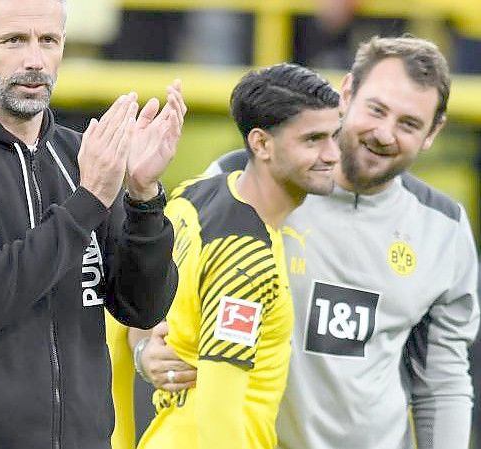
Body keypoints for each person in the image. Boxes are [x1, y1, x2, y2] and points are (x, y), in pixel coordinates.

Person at [136, 36, 480, 449]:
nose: (385, 134)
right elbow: (150, 288)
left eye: (408, 124)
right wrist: (143, 353)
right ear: (347, 92)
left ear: (433, 132)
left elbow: (442, 379)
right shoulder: (241, 186)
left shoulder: (444, 227)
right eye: (376, 109)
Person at [0, 0, 185, 448]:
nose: (34, 60)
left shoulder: (76, 158)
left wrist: (142, 196)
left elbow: (142, 306)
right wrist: (89, 202)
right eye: (13, 40)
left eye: (49, 41)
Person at [134, 63, 340, 449]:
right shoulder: (246, 258)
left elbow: (128, 314)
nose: (332, 154)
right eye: (312, 140)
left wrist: (143, 351)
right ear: (261, 144)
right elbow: (219, 410)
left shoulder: (194, 197)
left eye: (335, 136)